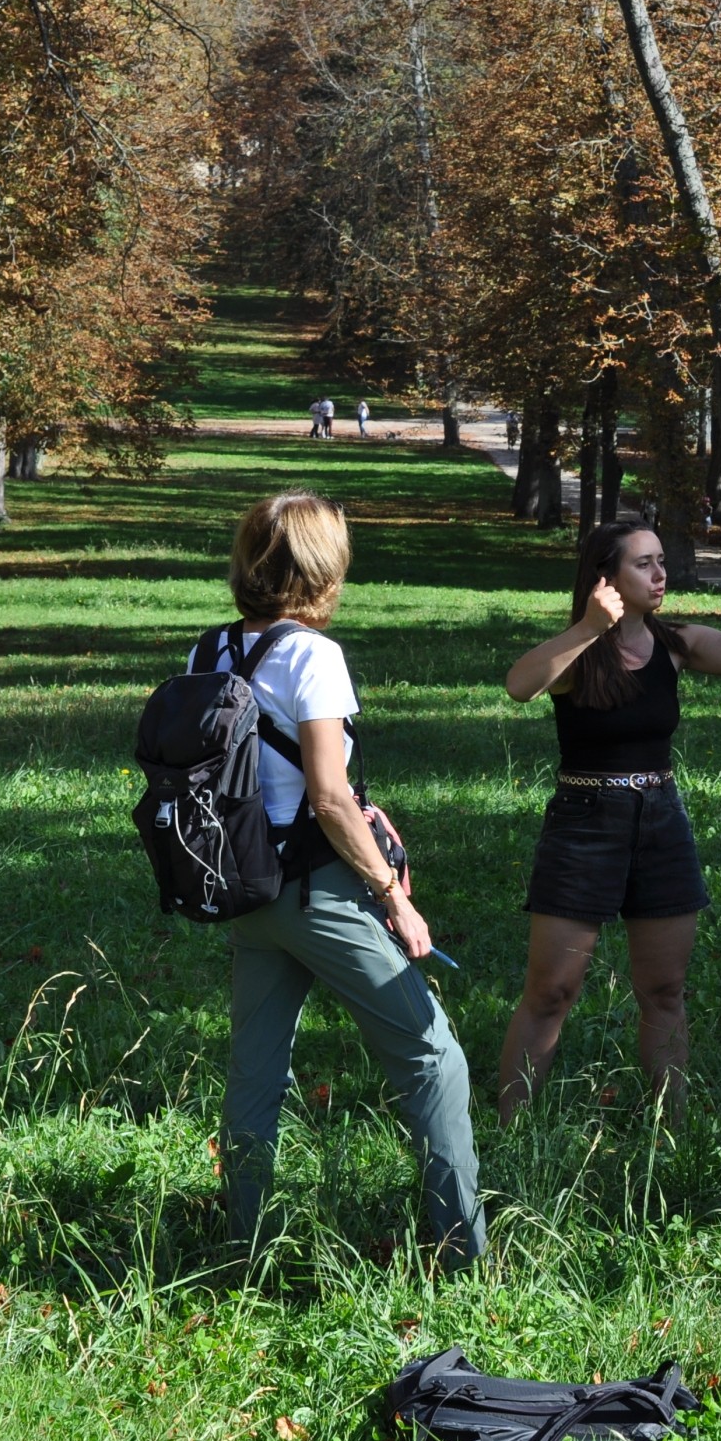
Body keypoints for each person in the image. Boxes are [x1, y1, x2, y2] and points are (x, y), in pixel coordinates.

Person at [205, 492, 485, 1266]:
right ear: (322, 566)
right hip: (316, 894)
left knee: (256, 1071)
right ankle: (463, 1255)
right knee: (434, 1057)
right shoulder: (312, 655)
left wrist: (359, 807)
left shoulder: (209, 650)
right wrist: (395, 899)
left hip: (243, 889)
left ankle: (245, 1243)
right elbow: (326, 797)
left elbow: (267, 772)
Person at [496, 514, 721, 1120]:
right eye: (644, 563)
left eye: (661, 561)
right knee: (551, 991)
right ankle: (510, 1128)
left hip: (660, 821)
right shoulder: (578, 650)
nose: (660, 573)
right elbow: (519, 685)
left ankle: (673, 1125)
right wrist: (590, 626)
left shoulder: (676, 643)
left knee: (664, 992)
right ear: (604, 577)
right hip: (584, 823)